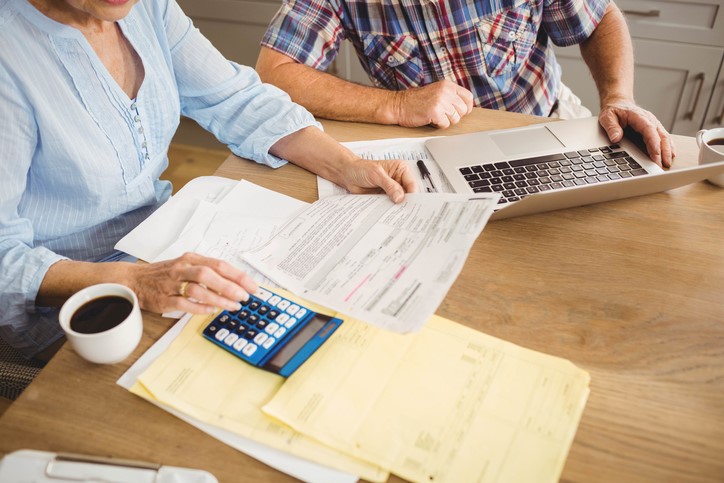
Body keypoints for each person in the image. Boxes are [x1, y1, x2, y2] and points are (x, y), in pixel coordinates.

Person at [0, 0, 416, 360]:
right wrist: (137, 282)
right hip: (81, 302)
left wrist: (346, 165)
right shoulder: (9, 54)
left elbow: (235, 99)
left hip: (165, 250)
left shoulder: (148, 9)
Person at [256, 0, 675, 167]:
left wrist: (619, 96)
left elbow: (599, 18)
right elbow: (274, 69)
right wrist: (397, 105)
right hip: (427, 151)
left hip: (547, 126)